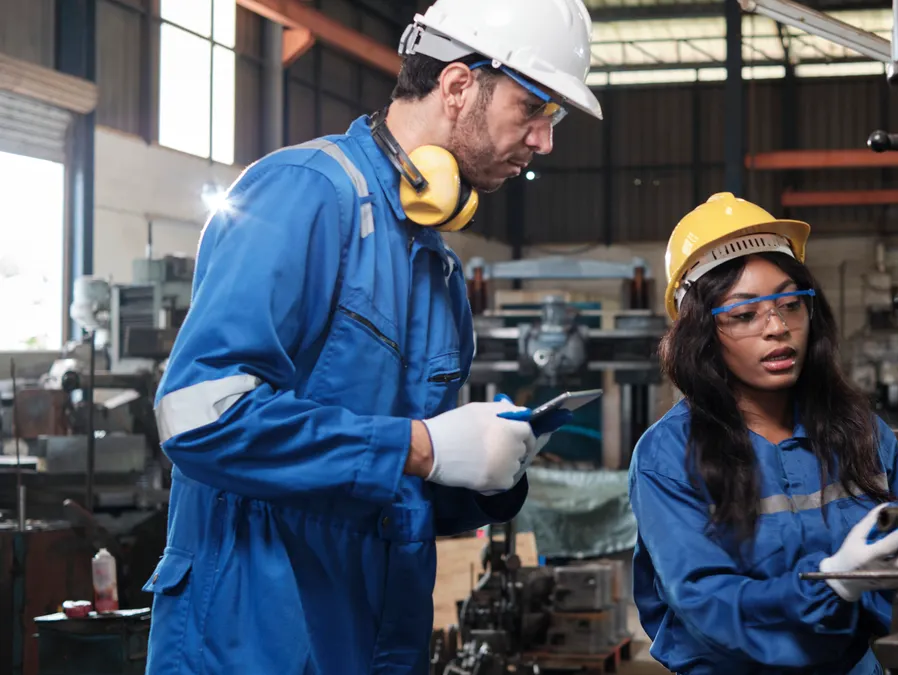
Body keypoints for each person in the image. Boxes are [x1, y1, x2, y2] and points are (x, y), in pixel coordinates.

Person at [140, 1, 602, 672]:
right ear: (457, 85)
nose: (544, 141)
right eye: (535, 108)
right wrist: (419, 445)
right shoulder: (304, 193)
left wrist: (486, 472)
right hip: (252, 632)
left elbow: (396, 479)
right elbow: (200, 416)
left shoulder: (437, 267)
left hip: (374, 634)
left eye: (552, 118)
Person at [628, 193, 898, 675]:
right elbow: (705, 602)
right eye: (744, 314)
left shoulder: (861, 433)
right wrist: (833, 584)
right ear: (701, 332)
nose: (777, 327)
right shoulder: (668, 456)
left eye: (790, 304)